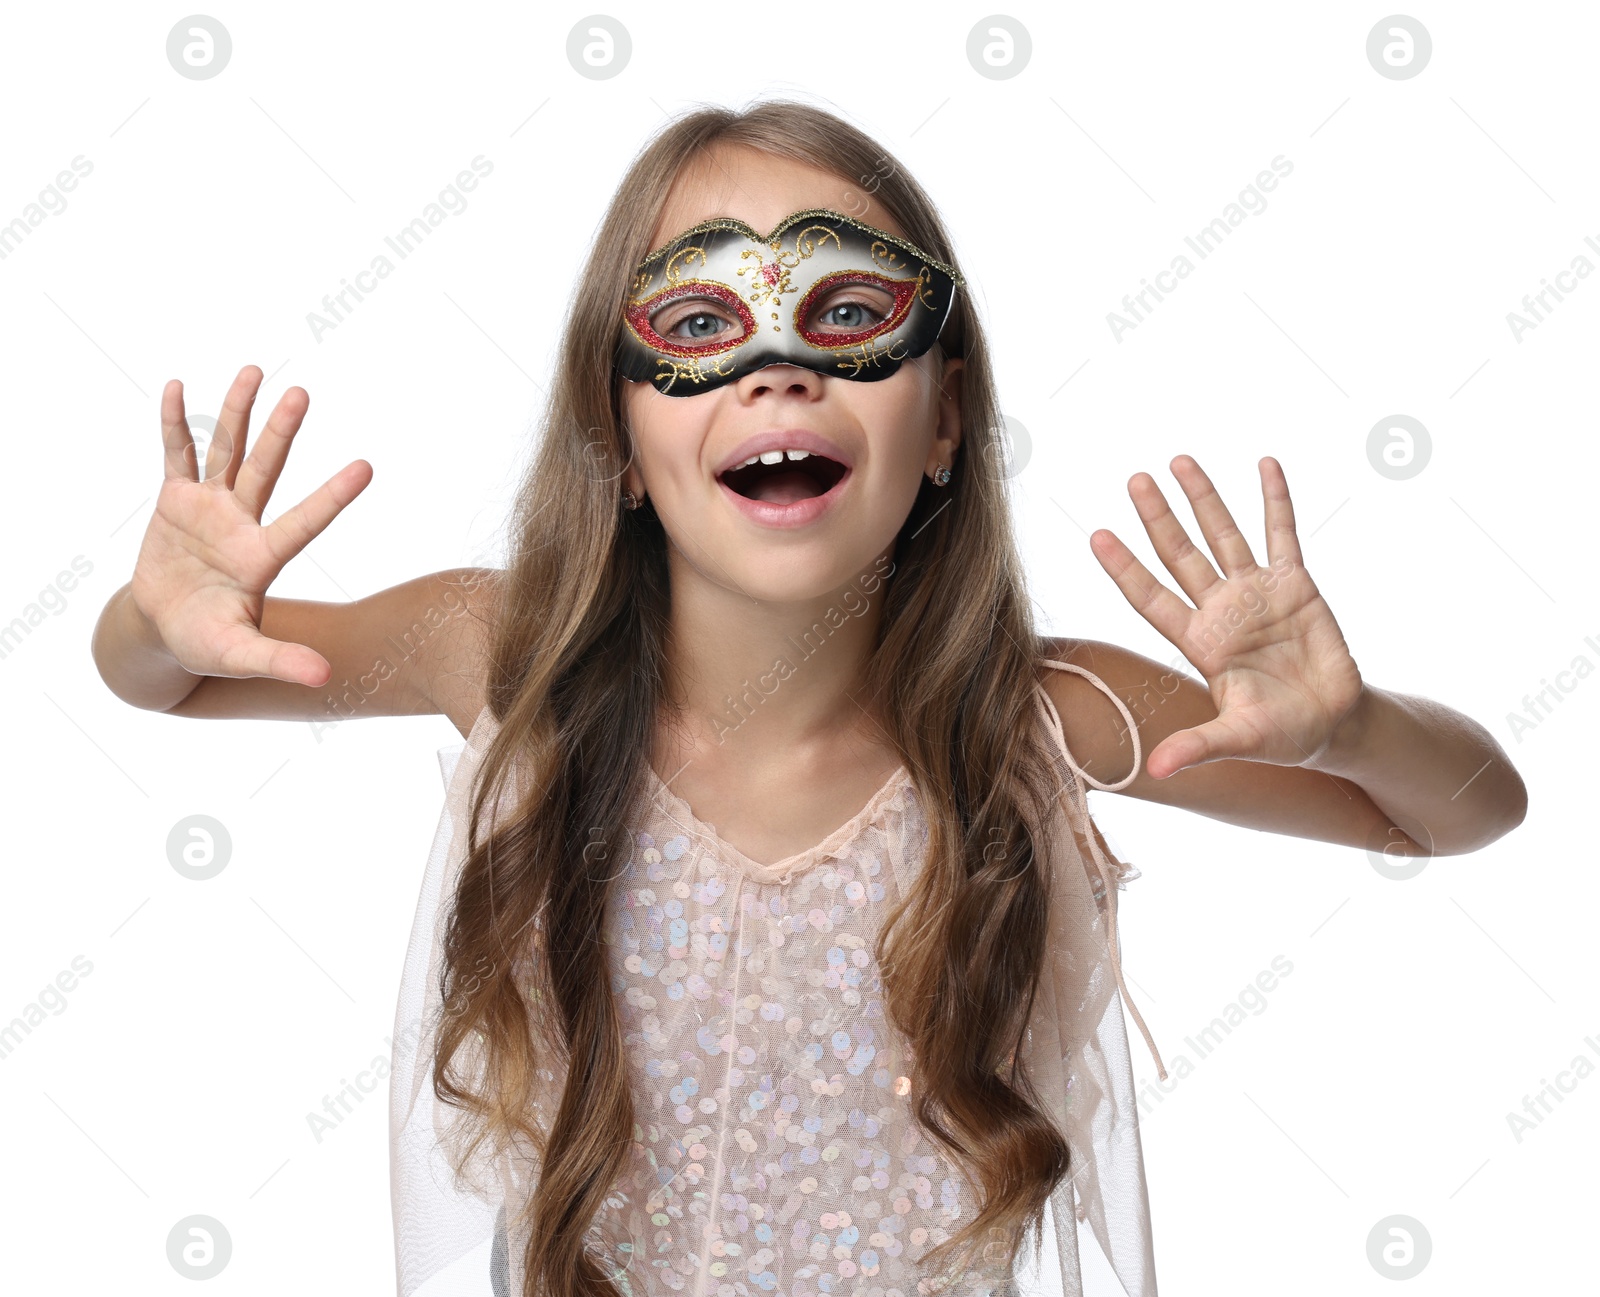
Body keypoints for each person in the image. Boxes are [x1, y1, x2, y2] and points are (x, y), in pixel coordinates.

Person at [91, 99, 1527, 1297]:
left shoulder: (1039, 713)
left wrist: (1354, 728)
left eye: (846, 310)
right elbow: (177, 679)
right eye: (705, 320)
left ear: (947, 415)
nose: (778, 367)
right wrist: (156, 624)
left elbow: (1447, 816)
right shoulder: (500, 653)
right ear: (619, 424)